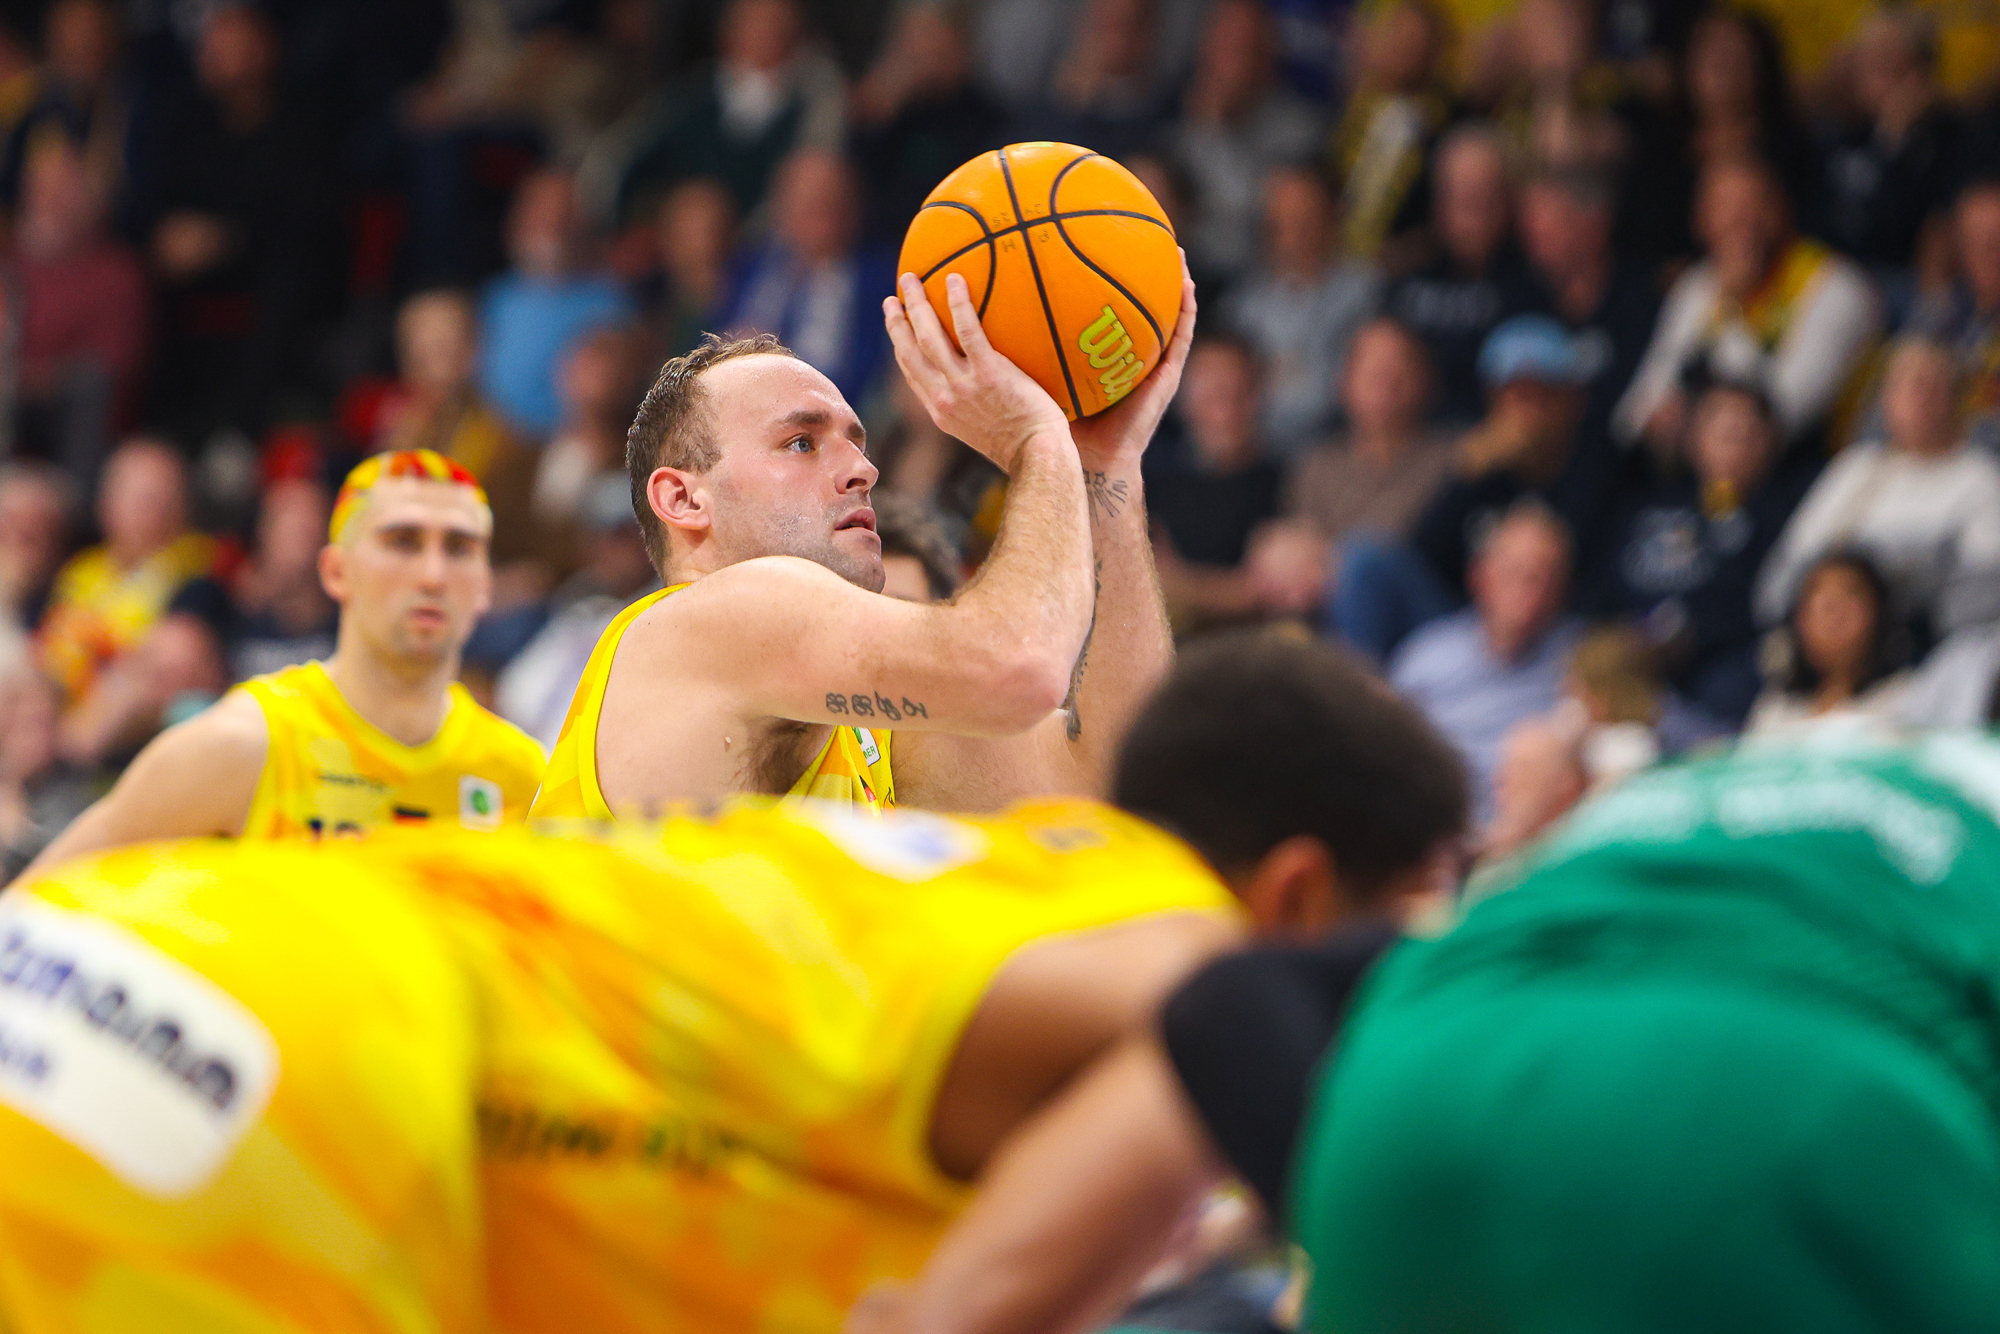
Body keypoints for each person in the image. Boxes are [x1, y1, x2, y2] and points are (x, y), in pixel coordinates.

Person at [0, 632, 1468, 1334]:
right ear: (1296, 892)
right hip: (288, 1065)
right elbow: (1228, 1016)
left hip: (138, 961)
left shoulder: (1009, 876)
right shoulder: (1176, 934)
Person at [873, 717, 2000, 1334]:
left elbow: (1226, 1008)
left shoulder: (1682, 818)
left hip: (1414, 1109)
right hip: (1797, 1120)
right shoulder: (1940, 846)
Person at [531, 261, 1198, 818]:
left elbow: (1124, 786)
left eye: (857, 440)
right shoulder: (714, 616)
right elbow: (1018, 669)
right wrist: (1037, 439)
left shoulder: (863, 726)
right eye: (800, 442)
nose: (862, 469)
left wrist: (1104, 471)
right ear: (682, 498)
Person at [20, 450, 545, 873]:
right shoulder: (243, 744)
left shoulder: (522, 779)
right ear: (337, 571)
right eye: (402, 541)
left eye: (459, 547)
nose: (432, 573)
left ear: (484, 586)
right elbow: (36, 905)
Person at [1615, 155, 1879, 454]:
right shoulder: (1699, 285)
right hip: (1699, 469)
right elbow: (1635, 413)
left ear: (1781, 211)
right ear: (1700, 222)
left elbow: (1779, 417)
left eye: (1753, 206)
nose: (1740, 223)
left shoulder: (1835, 287)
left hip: (1806, 472)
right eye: (1724, 208)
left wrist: (1733, 309)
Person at [1589, 379, 1817, 725]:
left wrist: (1682, 636)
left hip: (1714, 663)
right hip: (1629, 647)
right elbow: (1608, 584)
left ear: (1769, 443)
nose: (1731, 442)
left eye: (1745, 432)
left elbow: (1760, 605)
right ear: (1694, 437)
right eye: (1720, 428)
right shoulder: (1649, 504)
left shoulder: (1784, 516)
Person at [1755, 335, 2000, 641]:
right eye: (1904, 385)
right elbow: (1782, 574)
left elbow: (1981, 593)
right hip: (1818, 646)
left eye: (1931, 385)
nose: (1918, 398)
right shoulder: (1856, 466)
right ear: (1885, 398)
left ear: (1957, 397)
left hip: (1911, 645)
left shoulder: (1979, 476)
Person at [1245, 317, 1453, 623]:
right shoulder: (1318, 463)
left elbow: (1406, 544)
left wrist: (1326, 558)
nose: (1385, 375)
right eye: (1371, 363)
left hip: (1426, 617)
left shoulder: (1453, 456)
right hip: (1326, 606)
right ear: (1344, 379)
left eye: (1400, 362)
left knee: (1362, 560)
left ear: (1425, 378)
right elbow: (1295, 551)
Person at [1389, 500, 1582, 825]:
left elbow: (1668, 725)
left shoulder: (1583, 655)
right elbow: (1383, 757)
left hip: (1547, 842)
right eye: (1514, 572)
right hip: (1440, 836)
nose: (1529, 592)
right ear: (1480, 576)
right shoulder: (1426, 658)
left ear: (1564, 589)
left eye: (1544, 577)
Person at [35, 438, 214, 710]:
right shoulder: (80, 571)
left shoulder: (200, 570)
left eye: (160, 497)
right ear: (105, 501)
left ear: (182, 506)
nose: (151, 509)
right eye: (137, 495)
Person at [1219, 165, 1381, 456]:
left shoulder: (1366, 292)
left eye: (1307, 218)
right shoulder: (1242, 306)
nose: (1295, 231)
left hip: (1341, 448)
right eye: (1284, 220)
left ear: (1332, 217)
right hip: (1257, 454)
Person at [1385, 123, 1538, 426]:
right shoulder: (1409, 275)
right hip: (1409, 444)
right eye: (1457, 197)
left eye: (1482, 197)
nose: (1469, 214)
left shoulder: (1529, 284)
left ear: (1508, 201)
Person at [717, 148, 895, 406]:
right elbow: (713, 334)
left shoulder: (877, 281)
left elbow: (872, 378)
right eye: (800, 200)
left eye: (826, 201)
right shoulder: (752, 264)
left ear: (851, 209)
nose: (812, 213)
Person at [1163, 0, 1323, 282]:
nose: (1234, 64)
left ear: (1267, 57)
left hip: (1262, 281)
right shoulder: (1178, 113)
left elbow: (1263, 216)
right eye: (1226, 48)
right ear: (1206, 49)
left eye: (1245, 50)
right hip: (1184, 268)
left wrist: (1218, 130)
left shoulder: (1298, 129)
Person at [478, 169, 637, 440]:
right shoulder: (496, 297)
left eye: (564, 212)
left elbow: (608, 396)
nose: (552, 223)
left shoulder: (610, 300)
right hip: (492, 441)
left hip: (575, 447)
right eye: (540, 209)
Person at [1146, 336, 1285, 630]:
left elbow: (1266, 591)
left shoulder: (1284, 483)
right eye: (1213, 391)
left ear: (1258, 395)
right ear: (1185, 399)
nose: (1226, 409)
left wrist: (1185, 585)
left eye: (1238, 391)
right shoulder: (1158, 484)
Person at [1745, 547, 1912, 737]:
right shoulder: (1776, 711)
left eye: (1849, 597)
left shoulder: (1905, 700)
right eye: (1822, 604)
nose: (1835, 616)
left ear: (1879, 614)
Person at [1907, 177, 2000, 454]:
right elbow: (1883, 409)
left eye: (1997, 241)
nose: (1988, 254)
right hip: (1917, 463)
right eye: (1975, 241)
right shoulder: (1937, 311)